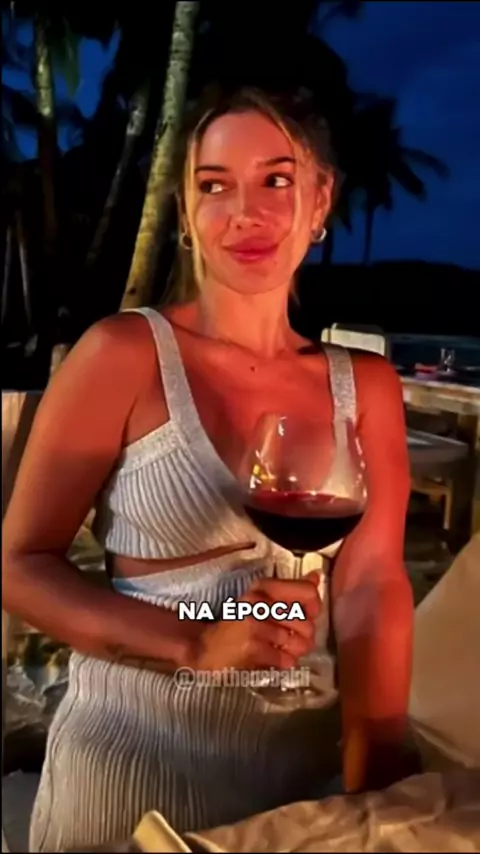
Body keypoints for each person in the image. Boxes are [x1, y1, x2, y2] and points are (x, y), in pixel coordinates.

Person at [2, 87, 414, 852]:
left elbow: (370, 583)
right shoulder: (123, 354)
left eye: (276, 180)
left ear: (321, 199)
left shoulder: (368, 387)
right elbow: (19, 565)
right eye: (214, 185)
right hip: (133, 765)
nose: (244, 212)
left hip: (302, 777)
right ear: (187, 213)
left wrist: (378, 750)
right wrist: (191, 642)